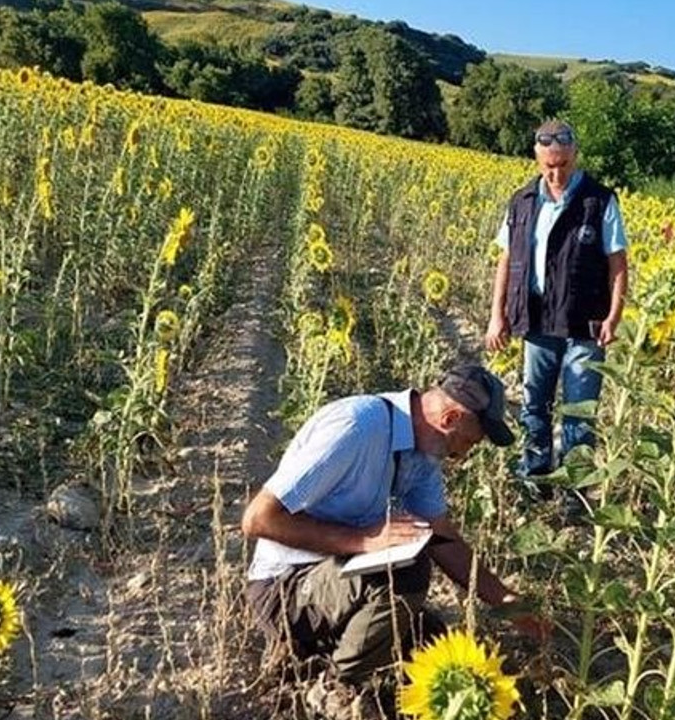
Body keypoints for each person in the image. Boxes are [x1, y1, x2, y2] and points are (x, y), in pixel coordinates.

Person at [242, 364, 547, 717]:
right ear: (450, 418)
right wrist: (362, 540)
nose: (463, 455)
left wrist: (508, 602)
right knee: (407, 571)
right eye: (470, 442)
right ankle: (337, 688)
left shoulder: (421, 453)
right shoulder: (357, 427)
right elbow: (258, 519)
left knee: (432, 645)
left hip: (335, 580)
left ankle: (308, 650)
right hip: (284, 588)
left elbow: (442, 537)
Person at [485, 120, 628, 485]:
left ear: (575, 156)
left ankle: (573, 491)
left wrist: (614, 315)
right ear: (537, 159)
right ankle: (535, 477)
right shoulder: (522, 201)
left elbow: (617, 263)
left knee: (579, 414)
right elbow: (505, 260)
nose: (556, 172)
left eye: (563, 164)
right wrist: (496, 315)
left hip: (585, 325)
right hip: (536, 320)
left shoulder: (599, 200)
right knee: (535, 405)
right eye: (549, 165)